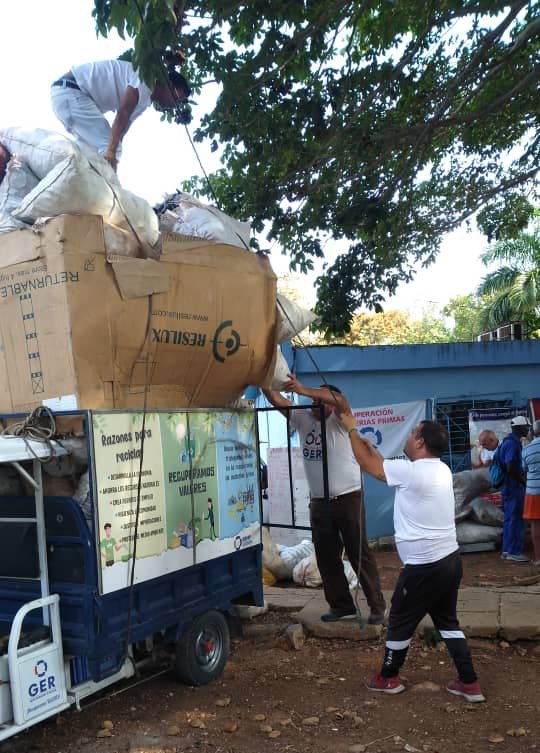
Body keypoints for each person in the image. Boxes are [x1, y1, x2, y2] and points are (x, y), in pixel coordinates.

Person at [339, 413, 485, 703]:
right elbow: (383, 465)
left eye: (411, 433)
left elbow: (372, 467)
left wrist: (351, 430)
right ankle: (470, 683)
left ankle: (388, 677)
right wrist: (369, 447)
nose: (407, 437)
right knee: (447, 622)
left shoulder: (413, 472)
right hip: (449, 561)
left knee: (399, 621)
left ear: (419, 441)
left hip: (424, 567)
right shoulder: (438, 469)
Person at [263, 375, 386, 624]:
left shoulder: (341, 420)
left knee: (358, 552)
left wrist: (303, 389)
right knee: (326, 556)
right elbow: (276, 398)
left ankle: (376, 607)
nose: (313, 402)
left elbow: (339, 399)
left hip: (348, 497)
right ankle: (341, 606)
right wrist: (263, 379)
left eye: (320, 398)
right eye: (311, 397)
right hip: (319, 501)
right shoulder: (302, 419)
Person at [50, 59, 191, 171]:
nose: (175, 106)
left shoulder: (144, 102)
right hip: (71, 91)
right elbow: (122, 114)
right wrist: (111, 152)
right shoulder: (146, 80)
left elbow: (120, 133)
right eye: (177, 99)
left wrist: (113, 161)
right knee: (109, 147)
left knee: (92, 154)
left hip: (71, 97)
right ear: (169, 84)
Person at [499, 415, 530, 562]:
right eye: (526, 426)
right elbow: (511, 467)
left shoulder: (508, 442)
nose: (528, 429)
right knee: (516, 519)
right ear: (518, 428)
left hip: (508, 487)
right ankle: (514, 552)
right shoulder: (512, 444)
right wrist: (523, 481)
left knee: (509, 519)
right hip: (514, 488)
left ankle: (507, 550)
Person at [522, 419, 540, 566]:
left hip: (533, 492)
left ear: (533, 432)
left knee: (535, 525)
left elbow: (524, 469)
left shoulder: (527, 449)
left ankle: (538, 558)